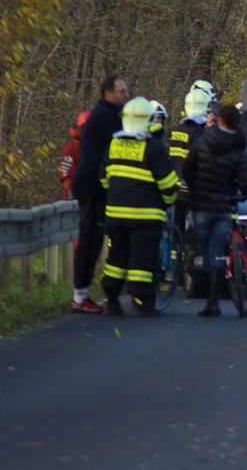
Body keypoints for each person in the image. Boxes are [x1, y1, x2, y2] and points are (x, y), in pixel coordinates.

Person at [99, 96, 179, 316]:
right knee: (142, 259)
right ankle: (142, 303)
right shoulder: (152, 148)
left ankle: (111, 300)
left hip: (116, 214)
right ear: (148, 119)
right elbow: (168, 183)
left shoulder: (113, 144)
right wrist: (169, 202)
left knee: (117, 258)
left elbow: (104, 178)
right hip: (146, 216)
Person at [183, 104, 247, 317]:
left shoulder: (202, 141)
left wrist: (195, 188)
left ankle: (210, 297)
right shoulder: (238, 147)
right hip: (224, 206)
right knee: (218, 252)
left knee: (206, 252)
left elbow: (188, 169)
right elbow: (246, 181)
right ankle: (214, 301)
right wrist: (246, 191)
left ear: (220, 120)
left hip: (202, 205)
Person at [70, 75, 130, 313]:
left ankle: (82, 294)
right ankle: (80, 296)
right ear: (109, 93)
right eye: (123, 91)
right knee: (89, 241)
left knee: (93, 241)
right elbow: (124, 142)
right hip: (92, 187)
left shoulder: (105, 114)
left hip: (94, 186)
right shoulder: (106, 116)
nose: (127, 95)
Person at [168, 80, 217, 235]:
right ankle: (189, 253)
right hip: (193, 190)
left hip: (175, 188)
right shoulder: (200, 133)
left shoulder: (175, 130)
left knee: (176, 229)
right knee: (194, 232)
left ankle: (176, 256)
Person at [58, 110, 90, 200]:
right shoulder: (71, 149)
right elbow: (67, 176)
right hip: (77, 202)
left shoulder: (95, 146)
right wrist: (72, 198)